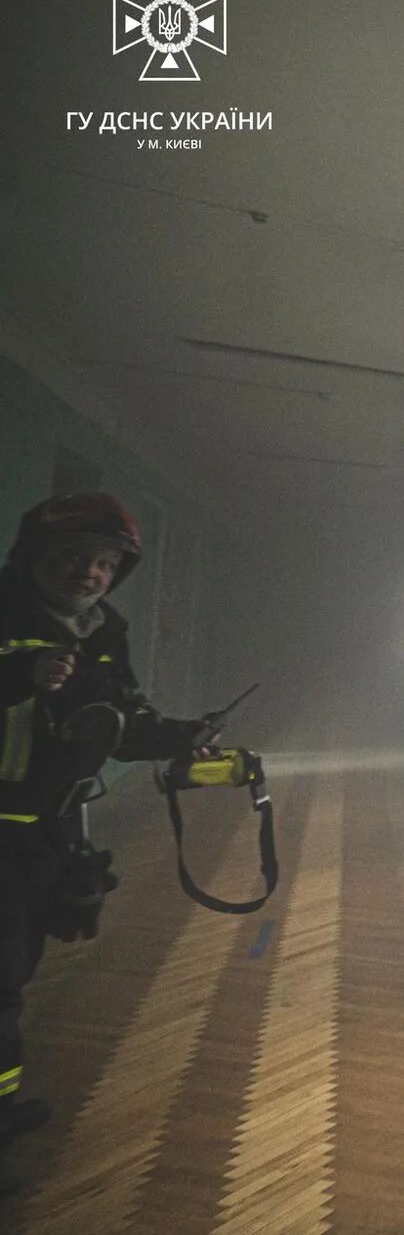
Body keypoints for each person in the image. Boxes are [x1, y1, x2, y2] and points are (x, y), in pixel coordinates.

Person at [0, 493, 212, 1171]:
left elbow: (120, 720)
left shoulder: (102, 632)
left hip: (47, 830)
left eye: (103, 562)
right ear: (34, 552)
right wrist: (16, 676)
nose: (88, 572)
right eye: (73, 556)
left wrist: (182, 736)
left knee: (19, 970)